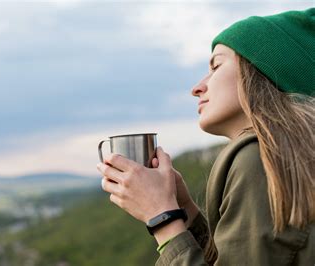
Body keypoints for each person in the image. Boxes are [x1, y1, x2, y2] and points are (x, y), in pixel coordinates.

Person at [97, 8, 314, 265]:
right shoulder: (286, 154)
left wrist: (162, 217)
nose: (197, 87)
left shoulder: (260, 157)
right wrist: (184, 208)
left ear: (263, 72)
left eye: (217, 66)